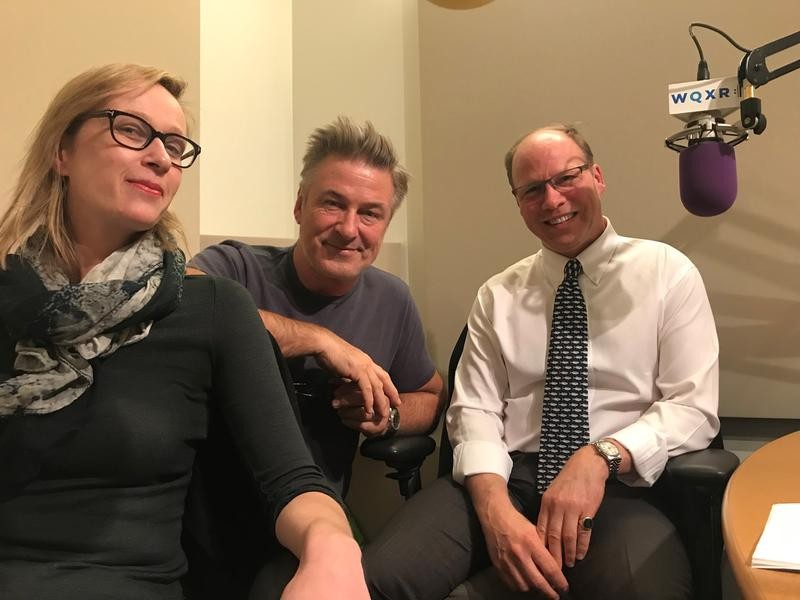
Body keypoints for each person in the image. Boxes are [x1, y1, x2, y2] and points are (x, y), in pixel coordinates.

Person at [0, 63, 368, 600]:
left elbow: (294, 484)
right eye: (131, 129)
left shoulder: (212, 307)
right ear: (62, 151)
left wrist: (332, 546)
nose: (159, 157)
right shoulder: (9, 298)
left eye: (175, 145)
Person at [363, 123, 720, 600]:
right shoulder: (498, 294)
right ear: (518, 202)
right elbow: (474, 411)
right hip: (507, 477)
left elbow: (692, 407)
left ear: (597, 176)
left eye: (566, 178)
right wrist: (494, 509)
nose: (552, 200)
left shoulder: (667, 273)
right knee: (375, 581)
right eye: (532, 190)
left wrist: (599, 457)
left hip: (619, 489)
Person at [187, 117, 444, 496]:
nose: (348, 228)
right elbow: (180, 298)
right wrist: (321, 341)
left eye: (370, 213)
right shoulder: (236, 267)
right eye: (332, 204)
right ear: (299, 206)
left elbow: (431, 397)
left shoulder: (392, 300)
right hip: (203, 507)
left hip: (312, 511)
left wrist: (386, 416)